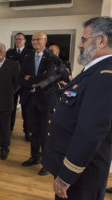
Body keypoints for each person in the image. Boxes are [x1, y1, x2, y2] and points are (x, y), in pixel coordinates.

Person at [42, 16, 112, 200]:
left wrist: (66, 176)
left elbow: (89, 133)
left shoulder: (106, 76)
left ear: (102, 40)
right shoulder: (95, 70)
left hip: (82, 177)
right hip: (78, 170)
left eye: (83, 39)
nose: (80, 45)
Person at [18, 31, 55, 176]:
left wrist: (31, 78)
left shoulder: (50, 57)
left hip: (45, 100)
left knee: (45, 133)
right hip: (30, 100)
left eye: (38, 39)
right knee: (33, 131)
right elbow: (20, 78)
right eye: (32, 40)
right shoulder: (28, 58)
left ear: (45, 40)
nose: (34, 42)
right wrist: (36, 80)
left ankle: (47, 163)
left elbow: (49, 76)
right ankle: (35, 157)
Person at [6, 32, 31, 140]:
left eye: (20, 39)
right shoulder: (10, 52)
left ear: (25, 41)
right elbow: (6, 67)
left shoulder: (30, 52)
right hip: (13, 84)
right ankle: (9, 130)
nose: (18, 41)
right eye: (16, 39)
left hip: (25, 85)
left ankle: (27, 132)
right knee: (11, 108)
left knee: (26, 109)